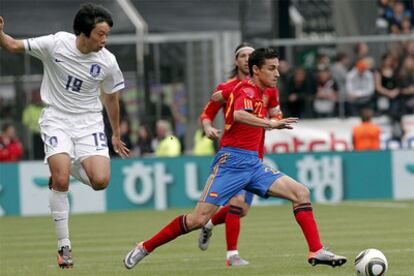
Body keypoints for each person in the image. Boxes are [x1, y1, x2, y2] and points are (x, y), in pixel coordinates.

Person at [123, 48, 347, 270]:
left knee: (301, 193)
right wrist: (269, 123)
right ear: (256, 69)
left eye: (277, 68)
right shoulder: (247, 90)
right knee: (196, 220)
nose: (277, 73)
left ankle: (316, 250)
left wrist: (274, 118)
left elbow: (248, 107)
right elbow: (239, 114)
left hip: (254, 164)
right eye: (272, 68)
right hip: (231, 163)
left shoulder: (260, 91)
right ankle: (145, 247)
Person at [0, 3, 129, 268]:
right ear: (84, 32)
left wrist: (115, 134)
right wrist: (1, 34)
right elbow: (13, 46)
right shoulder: (57, 43)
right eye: (100, 34)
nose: (105, 40)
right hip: (56, 118)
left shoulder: (107, 61)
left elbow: (112, 98)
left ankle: (66, 164)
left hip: (89, 123)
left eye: (107, 34)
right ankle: (64, 246)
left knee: (101, 181)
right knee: (59, 179)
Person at [197, 43, 282, 266]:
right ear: (236, 61)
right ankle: (232, 255)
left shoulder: (269, 86)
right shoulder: (228, 87)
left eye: (250, 56)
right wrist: (207, 128)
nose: (246, 59)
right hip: (233, 152)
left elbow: (275, 111)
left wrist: (277, 117)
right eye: (242, 55)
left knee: (241, 210)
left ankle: (208, 223)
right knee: (236, 204)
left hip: (256, 153)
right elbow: (207, 113)